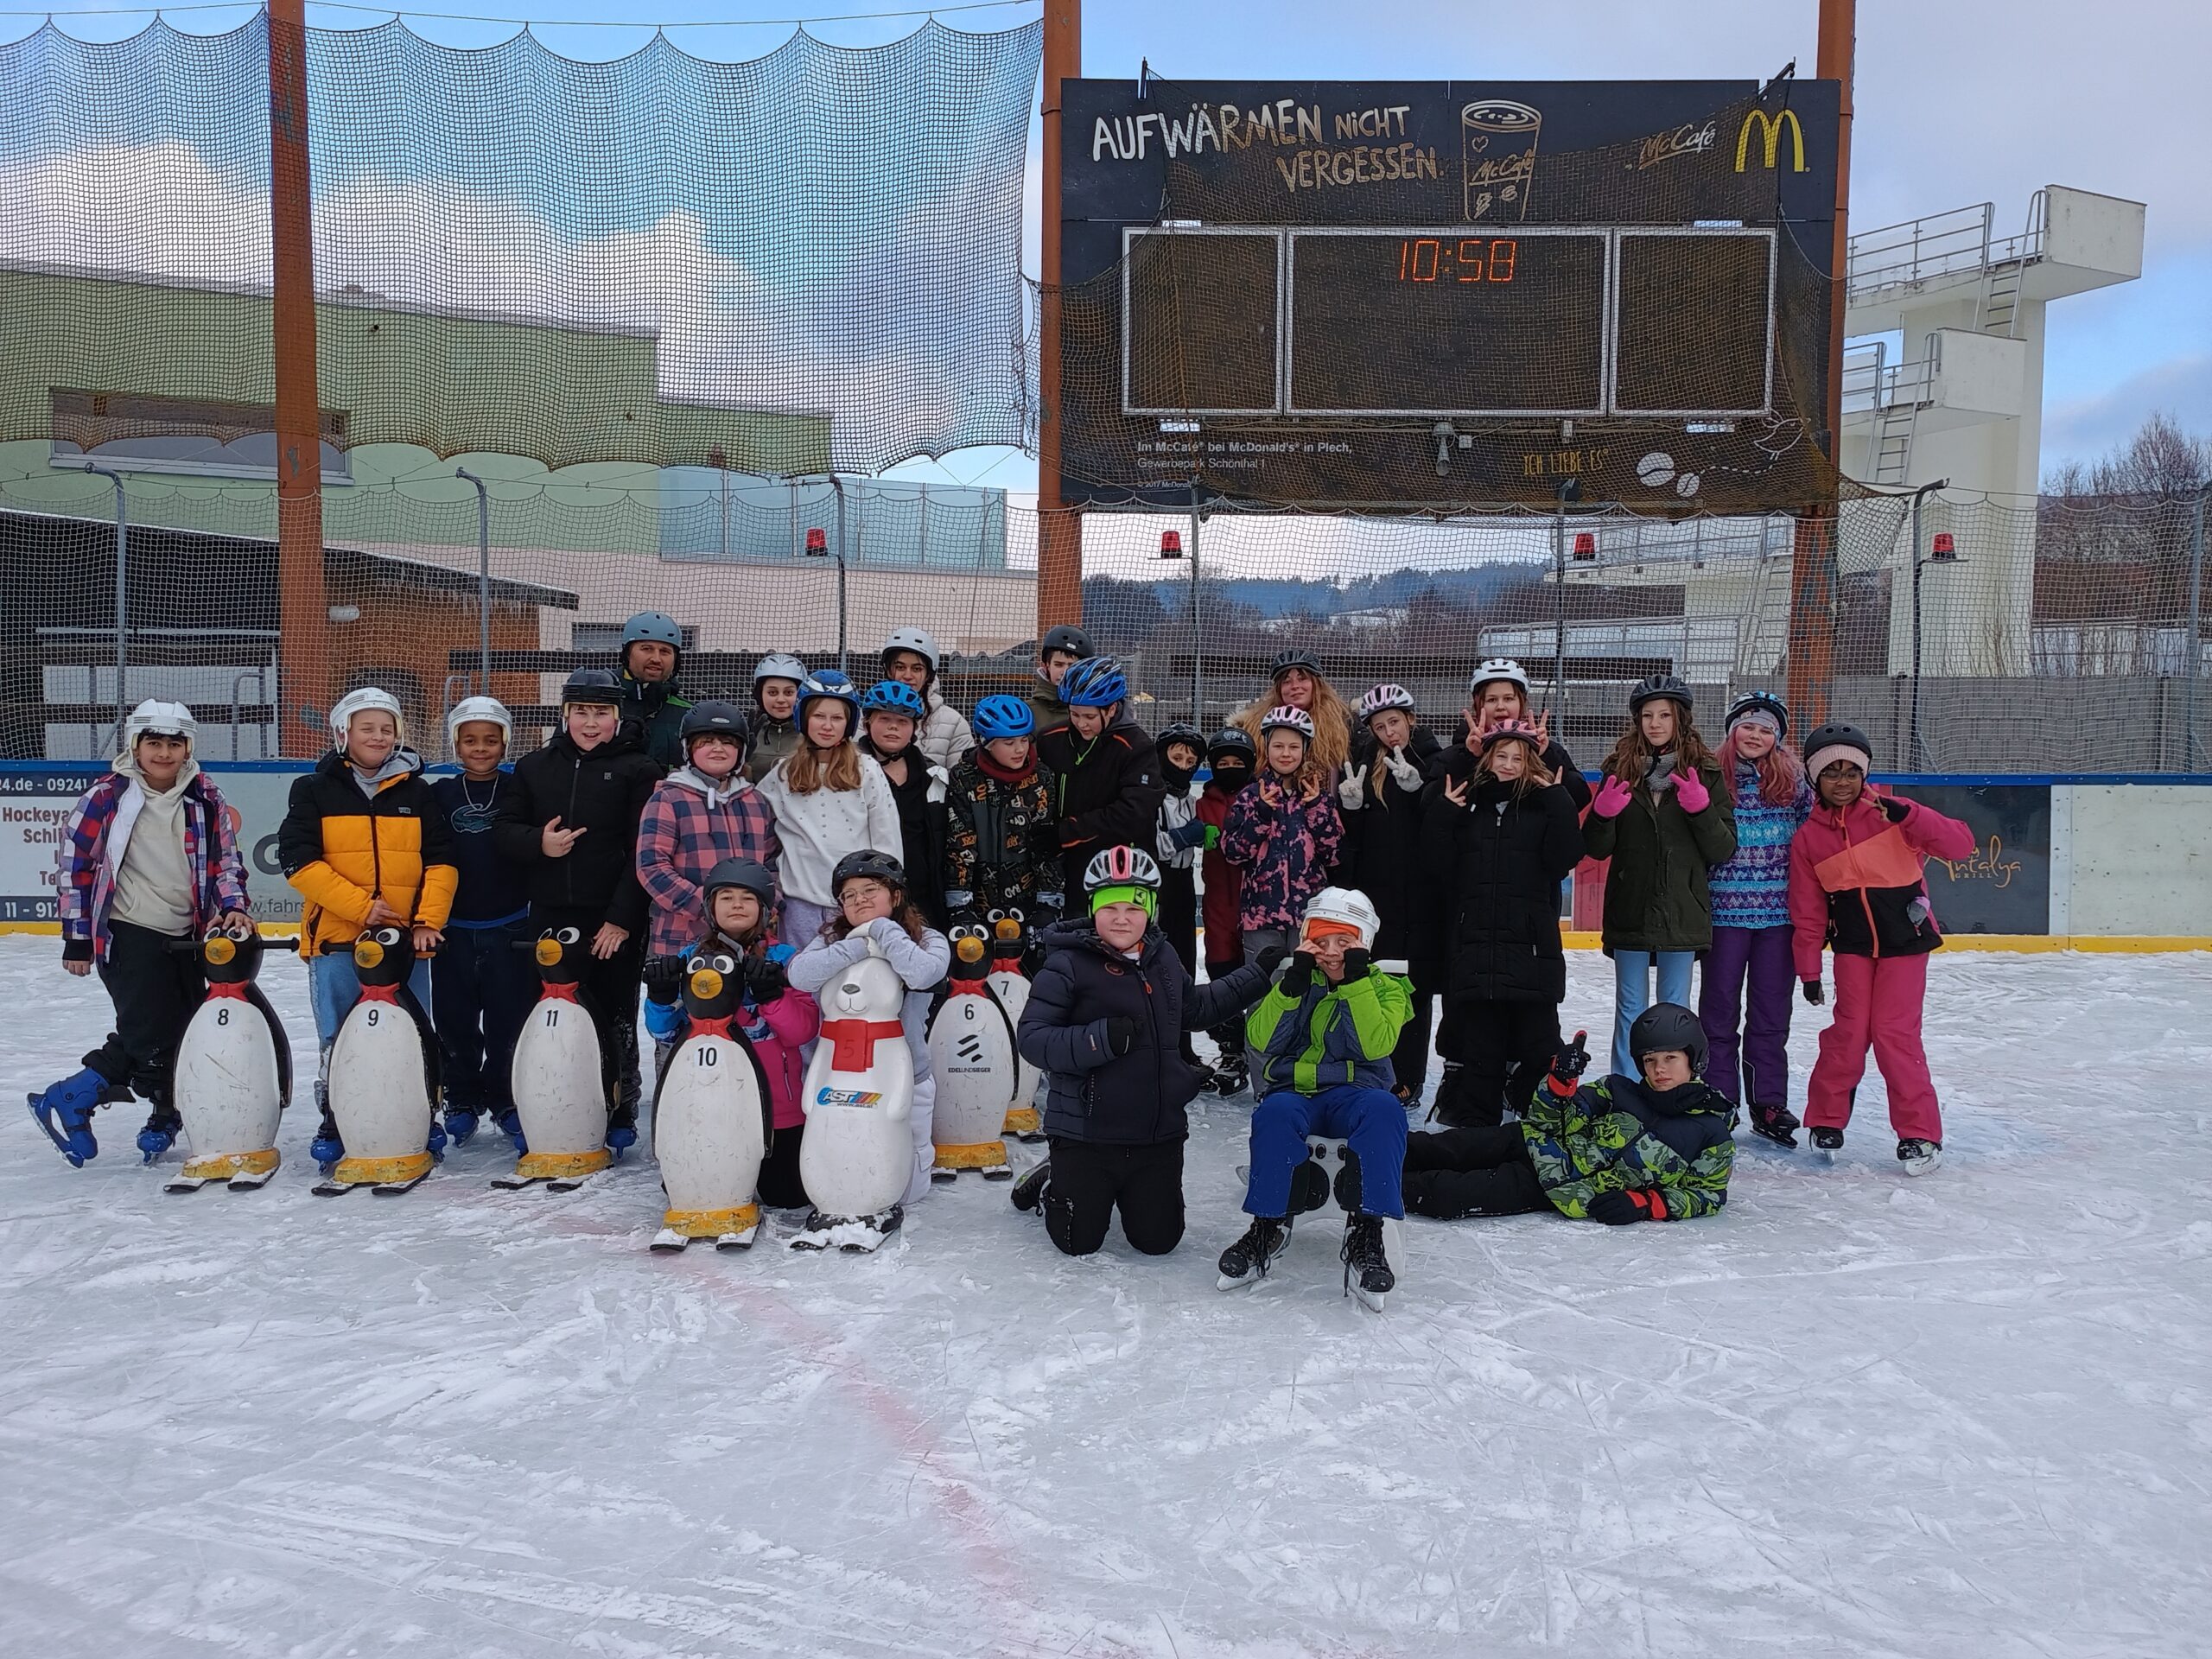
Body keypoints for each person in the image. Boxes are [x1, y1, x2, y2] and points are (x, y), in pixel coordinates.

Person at [1009, 846, 1278, 1258]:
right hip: (1087, 1133)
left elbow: (1195, 1009)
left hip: (1156, 1132)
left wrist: (1258, 975)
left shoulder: (1164, 957)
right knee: (1076, 1242)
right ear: (1093, 908)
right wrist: (1100, 1039)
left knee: (1158, 1242)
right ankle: (1054, 1179)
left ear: (1150, 908)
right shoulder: (1066, 964)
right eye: (1109, 907)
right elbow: (1033, 1039)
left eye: (1134, 907)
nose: (1121, 918)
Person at [31, 701, 253, 1168]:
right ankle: (71, 1097)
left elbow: (225, 863)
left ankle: (156, 1110)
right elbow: (76, 867)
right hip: (127, 929)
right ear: (136, 745)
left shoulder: (204, 796)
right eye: (154, 743)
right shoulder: (108, 797)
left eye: (175, 744)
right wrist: (77, 938)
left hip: (188, 932)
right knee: (151, 1031)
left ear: (188, 747)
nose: (164, 753)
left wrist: (232, 906)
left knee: (185, 1026)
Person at [280, 686, 457, 1166]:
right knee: (339, 1035)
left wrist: (426, 921)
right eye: (367, 728)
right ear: (344, 733)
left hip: (404, 943)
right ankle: (338, 1116)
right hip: (338, 941)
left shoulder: (417, 792)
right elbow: (297, 861)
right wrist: (362, 908)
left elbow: (441, 861)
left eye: (387, 729)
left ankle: (421, 1112)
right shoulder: (313, 790)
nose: (378, 737)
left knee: (413, 1032)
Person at [1789, 724, 1974, 1174]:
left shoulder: (1895, 815)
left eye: (1852, 771)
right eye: (1831, 772)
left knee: (1895, 1035)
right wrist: (1809, 971)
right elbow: (1808, 912)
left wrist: (1910, 816)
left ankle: (1920, 1133)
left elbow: (1961, 846)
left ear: (1864, 774)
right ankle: (1827, 1120)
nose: (1842, 781)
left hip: (1905, 944)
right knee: (1849, 1034)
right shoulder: (1808, 839)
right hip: (1853, 948)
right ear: (1816, 779)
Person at [493, 668, 662, 1154]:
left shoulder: (639, 770)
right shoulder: (534, 767)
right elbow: (505, 829)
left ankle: (618, 1107)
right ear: (565, 714)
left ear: (616, 716)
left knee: (612, 1016)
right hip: (548, 913)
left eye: (602, 713)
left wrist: (621, 919)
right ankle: (548, 1106)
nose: (591, 723)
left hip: (608, 919)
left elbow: (641, 852)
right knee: (549, 1013)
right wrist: (538, 844)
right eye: (582, 712)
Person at [1217, 888, 1412, 1306]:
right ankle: (1268, 1224)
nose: (1331, 952)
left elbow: (1376, 1044)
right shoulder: (1296, 979)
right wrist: (1290, 986)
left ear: (1364, 942)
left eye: (1344, 942)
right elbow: (1261, 1039)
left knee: (1385, 1111)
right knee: (1275, 1112)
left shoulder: (1387, 987)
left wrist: (1357, 982)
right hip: (1296, 1092)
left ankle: (1367, 1227)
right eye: (1320, 941)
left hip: (1357, 1094)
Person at [1400, 1007, 1735, 1224]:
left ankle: (1374, 1185)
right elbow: (1550, 1119)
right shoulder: (1618, 1089)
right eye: (1649, 1060)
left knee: (1448, 1194)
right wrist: (1561, 1081)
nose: (1659, 1069)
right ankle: (1371, 1151)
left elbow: (1706, 1194)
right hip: (1532, 1140)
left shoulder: (1710, 1132)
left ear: (1694, 1059)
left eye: (1670, 1058)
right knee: (1447, 1147)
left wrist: (1644, 1203)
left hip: (1561, 1187)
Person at [1416, 718, 1585, 1129]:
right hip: (1475, 949)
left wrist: (1561, 801)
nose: (1508, 765)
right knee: (1480, 1051)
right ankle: (1475, 1133)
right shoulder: (1469, 803)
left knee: (1539, 1046)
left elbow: (1563, 859)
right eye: (1501, 756)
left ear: (1530, 762)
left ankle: (1544, 1128)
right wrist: (1442, 815)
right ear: (1487, 759)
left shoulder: (1543, 806)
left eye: (1517, 757)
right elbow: (1437, 868)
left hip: (1531, 951)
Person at [785, 849, 952, 1228]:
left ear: (895, 895)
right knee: (846, 1149)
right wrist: (857, 944)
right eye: (849, 894)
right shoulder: (831, 940)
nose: (860, 899)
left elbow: (922, 974)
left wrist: (883, 930)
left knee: (908, 1178)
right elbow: (800, 975)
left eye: (871, 889)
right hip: (844, 1074)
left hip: (906, 1070)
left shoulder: (927, 940)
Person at [1582, 675, 1737, 1080]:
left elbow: (1723, 848)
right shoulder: (1619, 768)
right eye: (1647, 715)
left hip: (1683, 911)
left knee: (1675, 1007)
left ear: (1680, 719)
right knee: (1630, 1006)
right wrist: (1603, 814)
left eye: (1664, 715)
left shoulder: (1705, 770)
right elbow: (1597, 848)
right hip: (1630, 906)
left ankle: (1674, 1088)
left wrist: (1701, 809)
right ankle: (1627, 1086)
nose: (1655, 723)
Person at [643, 857, 819, 1210]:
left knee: (789, 1196)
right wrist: (661, 998)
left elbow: (803, 1030)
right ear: (710, 908)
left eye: (747, 898)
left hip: (775, 1106)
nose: (736, 904)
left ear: (765, 909)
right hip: (709, 1100)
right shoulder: (692, 959)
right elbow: (662, 1030)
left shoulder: (787, 960)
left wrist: (772, 996)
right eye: (726, 897)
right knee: (700, 1190)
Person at [636, 701, 780, 1073]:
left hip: (747, 943)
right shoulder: (668, 798)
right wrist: (707, 907)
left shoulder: (756, 802)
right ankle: (676, 1114)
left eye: (727, 742)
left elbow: (772, 865)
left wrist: (768, 905)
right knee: (680, 1037)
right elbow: (652, 866)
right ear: (689, 749)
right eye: (707, 741)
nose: (717, 748)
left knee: (745, 1035)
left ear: (741, 751)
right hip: (681, 940)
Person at [1700, 691, 1814, 1147]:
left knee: (1770, 1014)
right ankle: (1719, 1099)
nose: (1756, 735)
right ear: (1732, 731)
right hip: (1724, 915)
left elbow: (1815, 842)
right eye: (1748, 726)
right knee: (1719, 1012)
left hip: (1778, 918)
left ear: (1778, 738)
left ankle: (1768, 1101)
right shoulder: (1711, 776)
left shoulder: (1795, 783)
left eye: (1766, 729)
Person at [428, 696, 535, 1148]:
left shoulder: (520, 790)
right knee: (455, 1019)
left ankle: (507, 1098)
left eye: (491, 740)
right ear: (456, 744)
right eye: (470, 740)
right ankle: (462, 1097)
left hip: (510, 924)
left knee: (508, 1019)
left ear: (505, 743)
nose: (481, 748)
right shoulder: (438, 794)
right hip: (453, 927)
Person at [1336, 683, 1440, 1108]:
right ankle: (1376, 1070)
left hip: (1422, 899)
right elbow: (1354, 843)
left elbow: (1441, 828)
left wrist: (1421, 794)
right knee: (1377, 985)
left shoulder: (1434, 761)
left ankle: (1410, 1077)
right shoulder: (1364, 765)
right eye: (1380, 726)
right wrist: (1352, 807)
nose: (1389, 732)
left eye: (1394, 722)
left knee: (1414, 989)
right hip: (1378, 898)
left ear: (1410, 720)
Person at [756, 670, 901, 946]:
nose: (827, 726)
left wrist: (887, 893)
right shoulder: (783, 774)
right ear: (803, 717)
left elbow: (887, 837)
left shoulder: (866, 770)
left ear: (849, 724)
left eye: (837, 718)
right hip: (800, 905)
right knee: (800, 982)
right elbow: (754, 819)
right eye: (819, 716)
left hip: (856, 904)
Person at [1034, 654, 1164, 904]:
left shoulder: (1136, 748)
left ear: (1112, 709)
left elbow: (1134, 813)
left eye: (1090, 717)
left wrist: (1065, 833)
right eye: (1075, 714)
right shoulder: (1051, 739)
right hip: (1060, 874)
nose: (1081, 724)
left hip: (1118, 874)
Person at [1221, 705, 1344, 962]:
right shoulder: (1250, 796)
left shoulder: (1317, 797)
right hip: (1263, 917)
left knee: (1308, 991)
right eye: (1278, 746)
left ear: (1305, 749)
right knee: (1263, 992)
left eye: (1293, 747)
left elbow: (1334, 854)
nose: (1286, 754)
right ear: (1266, 747)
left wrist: (1316, 809)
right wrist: (1262, 815)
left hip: (1308, 915)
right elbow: (1233, 853)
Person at [944, 693, 1064, 933]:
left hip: (1027, 899)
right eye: (1009, 743)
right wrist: (959, 905)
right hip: (978, 900)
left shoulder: (1041, 777)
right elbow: (959, 844)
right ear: (986, 742)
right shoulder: (964, 777)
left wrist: (1049, 904)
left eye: (1024, 740)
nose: (1020, 749)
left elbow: (1047, 846)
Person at [858, 679, 952, 930]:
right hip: (873, 896)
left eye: (902, 721)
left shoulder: (933, 776)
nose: (893, 728)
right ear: (867, 724)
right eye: (884, 720)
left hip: (926, 896)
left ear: (914, 728)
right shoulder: (851, 773)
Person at [1195, 728, 1255, 1095]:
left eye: (1238, 763)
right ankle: (1231, 1050)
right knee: (1222, 970)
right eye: (1223, 763)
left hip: (1257, 900)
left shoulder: (1261, 797)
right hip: (1218, 900)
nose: (1230, 768)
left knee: (1259, 974)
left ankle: (1263, 1046)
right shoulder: (1204, 802)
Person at [1151, 721, 1212, 1084]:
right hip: (1158, 884)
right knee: (1158, 963)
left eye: (1191, 759)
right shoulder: (1151, 796)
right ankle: (1159, 1047)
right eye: (1177, 755)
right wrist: (1186, 835)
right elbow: (1150, 841)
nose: (1184, 763)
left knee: (1185, 964)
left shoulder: (1191, 799)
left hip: (1184, 884)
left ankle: (1183, 1044)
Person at [1452, 658, 1592, 813]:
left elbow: (1579, 799)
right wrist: (1468, 756)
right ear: (1478, 704)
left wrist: (1545, 756)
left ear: (1522, 702)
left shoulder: (1547, 750)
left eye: (1508, 699)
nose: (1500, 706)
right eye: (1492, 700)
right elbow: (1431, 804)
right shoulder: (1460, 750)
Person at [1231, 648, 1355, 780]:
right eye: (1287, 681)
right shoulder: (1253, 728)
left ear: (1316, 683)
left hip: (1325, 799)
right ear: (1278, 689)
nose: (1295, 686)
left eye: (1302, 679)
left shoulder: (1345, 722)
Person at [879, 627, 974, 773]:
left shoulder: (954, 723)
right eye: (900, 667)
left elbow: (962, 781)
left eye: (917, 669)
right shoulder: (867, 717)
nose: (907, 675)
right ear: (889, 670)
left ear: (929, 673)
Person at [613, 611, 693, 771]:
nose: (656, 658)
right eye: (647, 649)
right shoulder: (601, 707)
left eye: (665, 651)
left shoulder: (688, 714)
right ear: (628, 654)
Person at [746, 652, 807, 783]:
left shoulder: (811, 734)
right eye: (772, 692)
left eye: (789, 692)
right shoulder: (747, 734)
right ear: (759, 695)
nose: (780, 700)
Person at [1026, 622, 1093, 735]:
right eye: (1058, 665)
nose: (1065, 672)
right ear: (1047, 665)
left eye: (1072, 666)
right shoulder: (1028, 711)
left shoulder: (1095, 710)